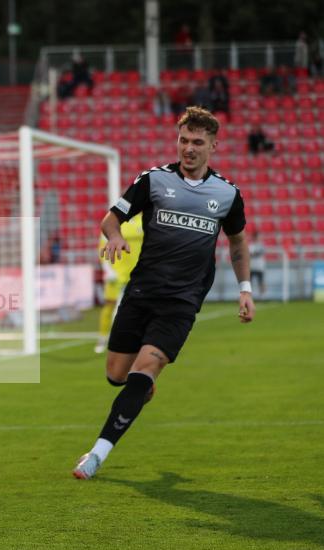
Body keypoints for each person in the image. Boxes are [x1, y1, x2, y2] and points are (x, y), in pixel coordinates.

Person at [72, 106, 255, 480]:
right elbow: (111, 220)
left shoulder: (227, 194)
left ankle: (96, 455)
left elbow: (237, 243)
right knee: (116, 374)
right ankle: (141, 388)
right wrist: (117, 235)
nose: (188, 148)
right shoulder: (153, 181)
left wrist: (245, 289)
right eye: (184, 140)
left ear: (213, 146)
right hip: (141, 292)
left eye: (197, 142)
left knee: (145, 370)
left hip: (182, 303)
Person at [94, 214, 143, 354]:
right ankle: (103, 338)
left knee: (139, 308)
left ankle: (133, 339)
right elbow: (102, 247)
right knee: (110, 305)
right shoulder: (113, 221)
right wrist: (108, 270)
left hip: (137, 273)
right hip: (116, 274)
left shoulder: (144, 220)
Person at [248, 231, 266, 299]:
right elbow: (249, 254)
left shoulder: (261, 245)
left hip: (259, 267)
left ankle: (262, 296)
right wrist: (255, 253)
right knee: (250, 283)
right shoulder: (251, 245)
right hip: (252, 267)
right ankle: (249, 296)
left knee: (261, 282)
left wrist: (254, 254)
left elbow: (260, 252)